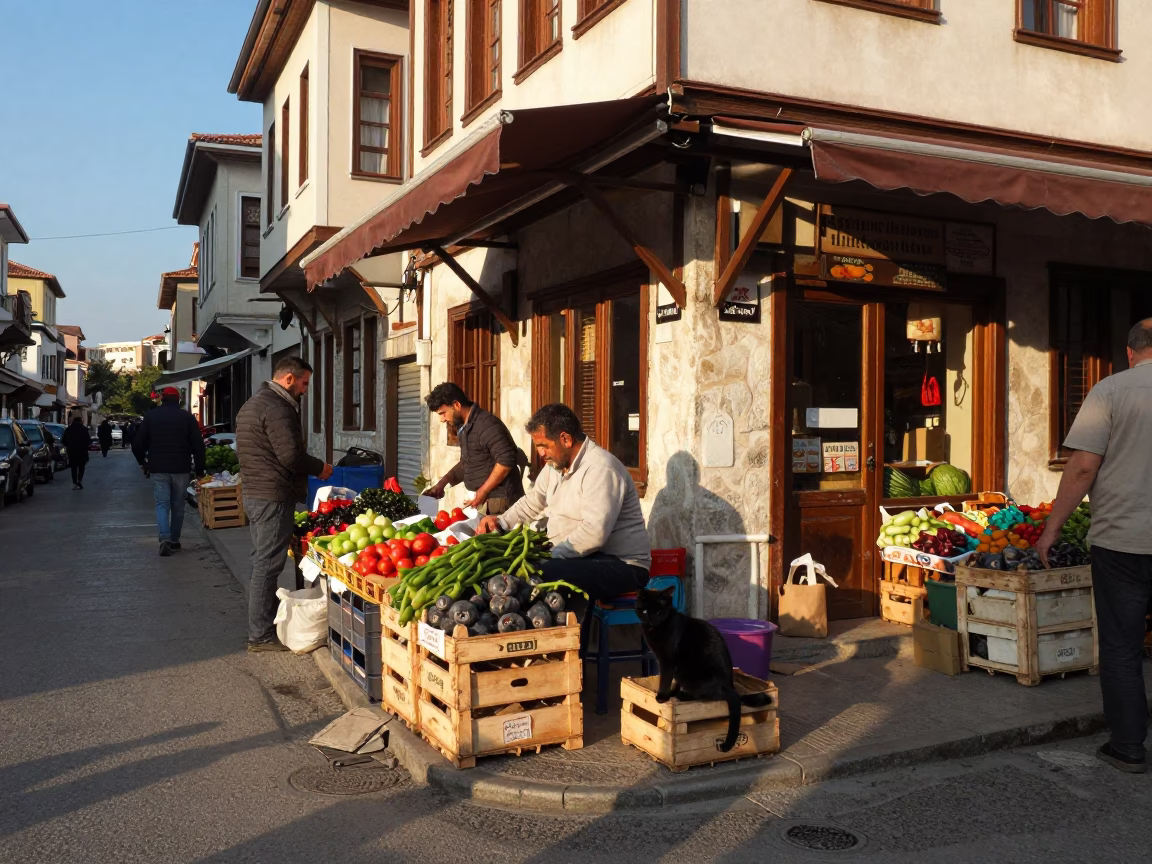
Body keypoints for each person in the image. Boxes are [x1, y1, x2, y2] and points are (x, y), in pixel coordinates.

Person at [1037, 318, 1152, 775]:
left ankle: (1128, 747)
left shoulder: (1110, 391)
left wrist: (1052, 530)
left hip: (1122, 542)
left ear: (1130, 351)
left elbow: (1083, 467)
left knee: (1123, 646)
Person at [476, 403, 651, 618]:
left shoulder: (600, 469)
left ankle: (570, 646)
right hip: (581, 557)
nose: (540, 453)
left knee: (544, 573)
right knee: (510, 567)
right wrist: (501, 522)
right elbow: (532, 502)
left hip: (622, 565)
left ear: (565, 439)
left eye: (544, 445)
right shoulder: (555, 467)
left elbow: (594, 533)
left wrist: (551, 556)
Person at [236, 356, 333, 652]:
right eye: (304, 383)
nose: (305, 390)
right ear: (289, 379)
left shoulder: (252, 404)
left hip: (255, 492)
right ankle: (261, 635)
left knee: (262, 560)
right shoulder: (278, 407)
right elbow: (290, 456)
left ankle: (264, 626)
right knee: (267, 564)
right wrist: (320, 468)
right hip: (272, 495)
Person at [424, 382, 524, 516]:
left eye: (443, 413)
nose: (442, 420)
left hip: (500, 502)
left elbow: (506, 461)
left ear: (456, 405)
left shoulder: (487, 424)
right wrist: (442, 484)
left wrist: (484, 491)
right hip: (484, 501)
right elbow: (468, 462)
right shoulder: (464, 428)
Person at [133, 387, 206, 557]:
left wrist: (142, 463)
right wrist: (200, 470)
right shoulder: (187, 417)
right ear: (178, 400)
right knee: (178, 505)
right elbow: (198, 446)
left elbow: (137, 444)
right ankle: (174, 540)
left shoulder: (151, 416)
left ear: (162, 399)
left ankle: (164, 537)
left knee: (162, 504)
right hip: (181, 467)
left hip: (158, 467)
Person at [61, 415, 91, 490]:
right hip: (82, 451)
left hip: (72, 452)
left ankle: (74, 482)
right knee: (81, 467)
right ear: (80, 421)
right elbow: (88, 441)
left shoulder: (69, 429)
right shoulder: (84, 429)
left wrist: (69, 446)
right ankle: (79, 480)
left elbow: (64, 441)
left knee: (73, 468)